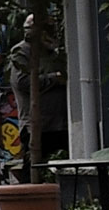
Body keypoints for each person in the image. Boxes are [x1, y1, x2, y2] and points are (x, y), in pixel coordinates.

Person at [10, 14, 68, 162]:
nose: (51, 34)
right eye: (47, 29)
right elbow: (23, 82)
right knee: (37, 166)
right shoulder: (21, 52)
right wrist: (54, 78)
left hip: (60, 124)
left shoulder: (54, 53)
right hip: (38, 125)